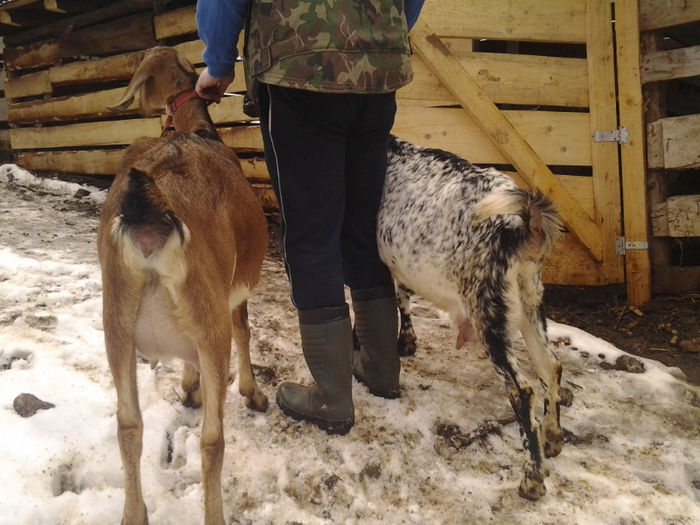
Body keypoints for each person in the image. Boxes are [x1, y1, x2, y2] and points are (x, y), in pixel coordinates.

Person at [195, 0, 425, 435]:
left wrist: (219, 62)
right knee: (361, 222)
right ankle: (380, 369)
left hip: (298, 70)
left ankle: (331, 396)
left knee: (312, 230)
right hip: (378, 69)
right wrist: (375, 37)